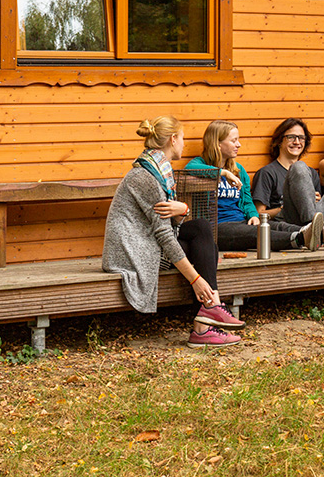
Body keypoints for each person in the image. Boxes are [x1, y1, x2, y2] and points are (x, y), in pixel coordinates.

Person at [102, 116, 244, 348]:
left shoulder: (158, 170)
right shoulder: (145, 177)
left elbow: (170, 222)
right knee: (200, 245)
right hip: (132, 254)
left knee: (201, 230)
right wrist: (196, 280)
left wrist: (184, 210)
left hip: (146, 243)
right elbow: (164, 235)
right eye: (183, 139)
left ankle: (207, 319)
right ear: (173, 139)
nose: (184, 144)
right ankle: (210, 313)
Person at [185, 120, 323, 252]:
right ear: (218, 144)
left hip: (242, 221)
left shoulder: (238, 170)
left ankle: (318, 233)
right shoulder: (199, 164)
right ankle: (301, 239)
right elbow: (190, 168)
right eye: (233, 141)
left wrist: (253, 215)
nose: (238, 145)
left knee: (275, 226)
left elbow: (247, 201)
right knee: (257, 232)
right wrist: (223, 173)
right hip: (217, 227)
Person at [250, 117, 324, 250]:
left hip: (315, 217)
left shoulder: (312, 173)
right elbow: (259, 214)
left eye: (301, 138)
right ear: (279, 141)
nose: (297, 142)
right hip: (288, 221)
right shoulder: (267, 173)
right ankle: (316, 230)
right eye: (291, 137)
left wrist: (315, 201)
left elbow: (314, 206)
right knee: (299, 166)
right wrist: (283, 208)